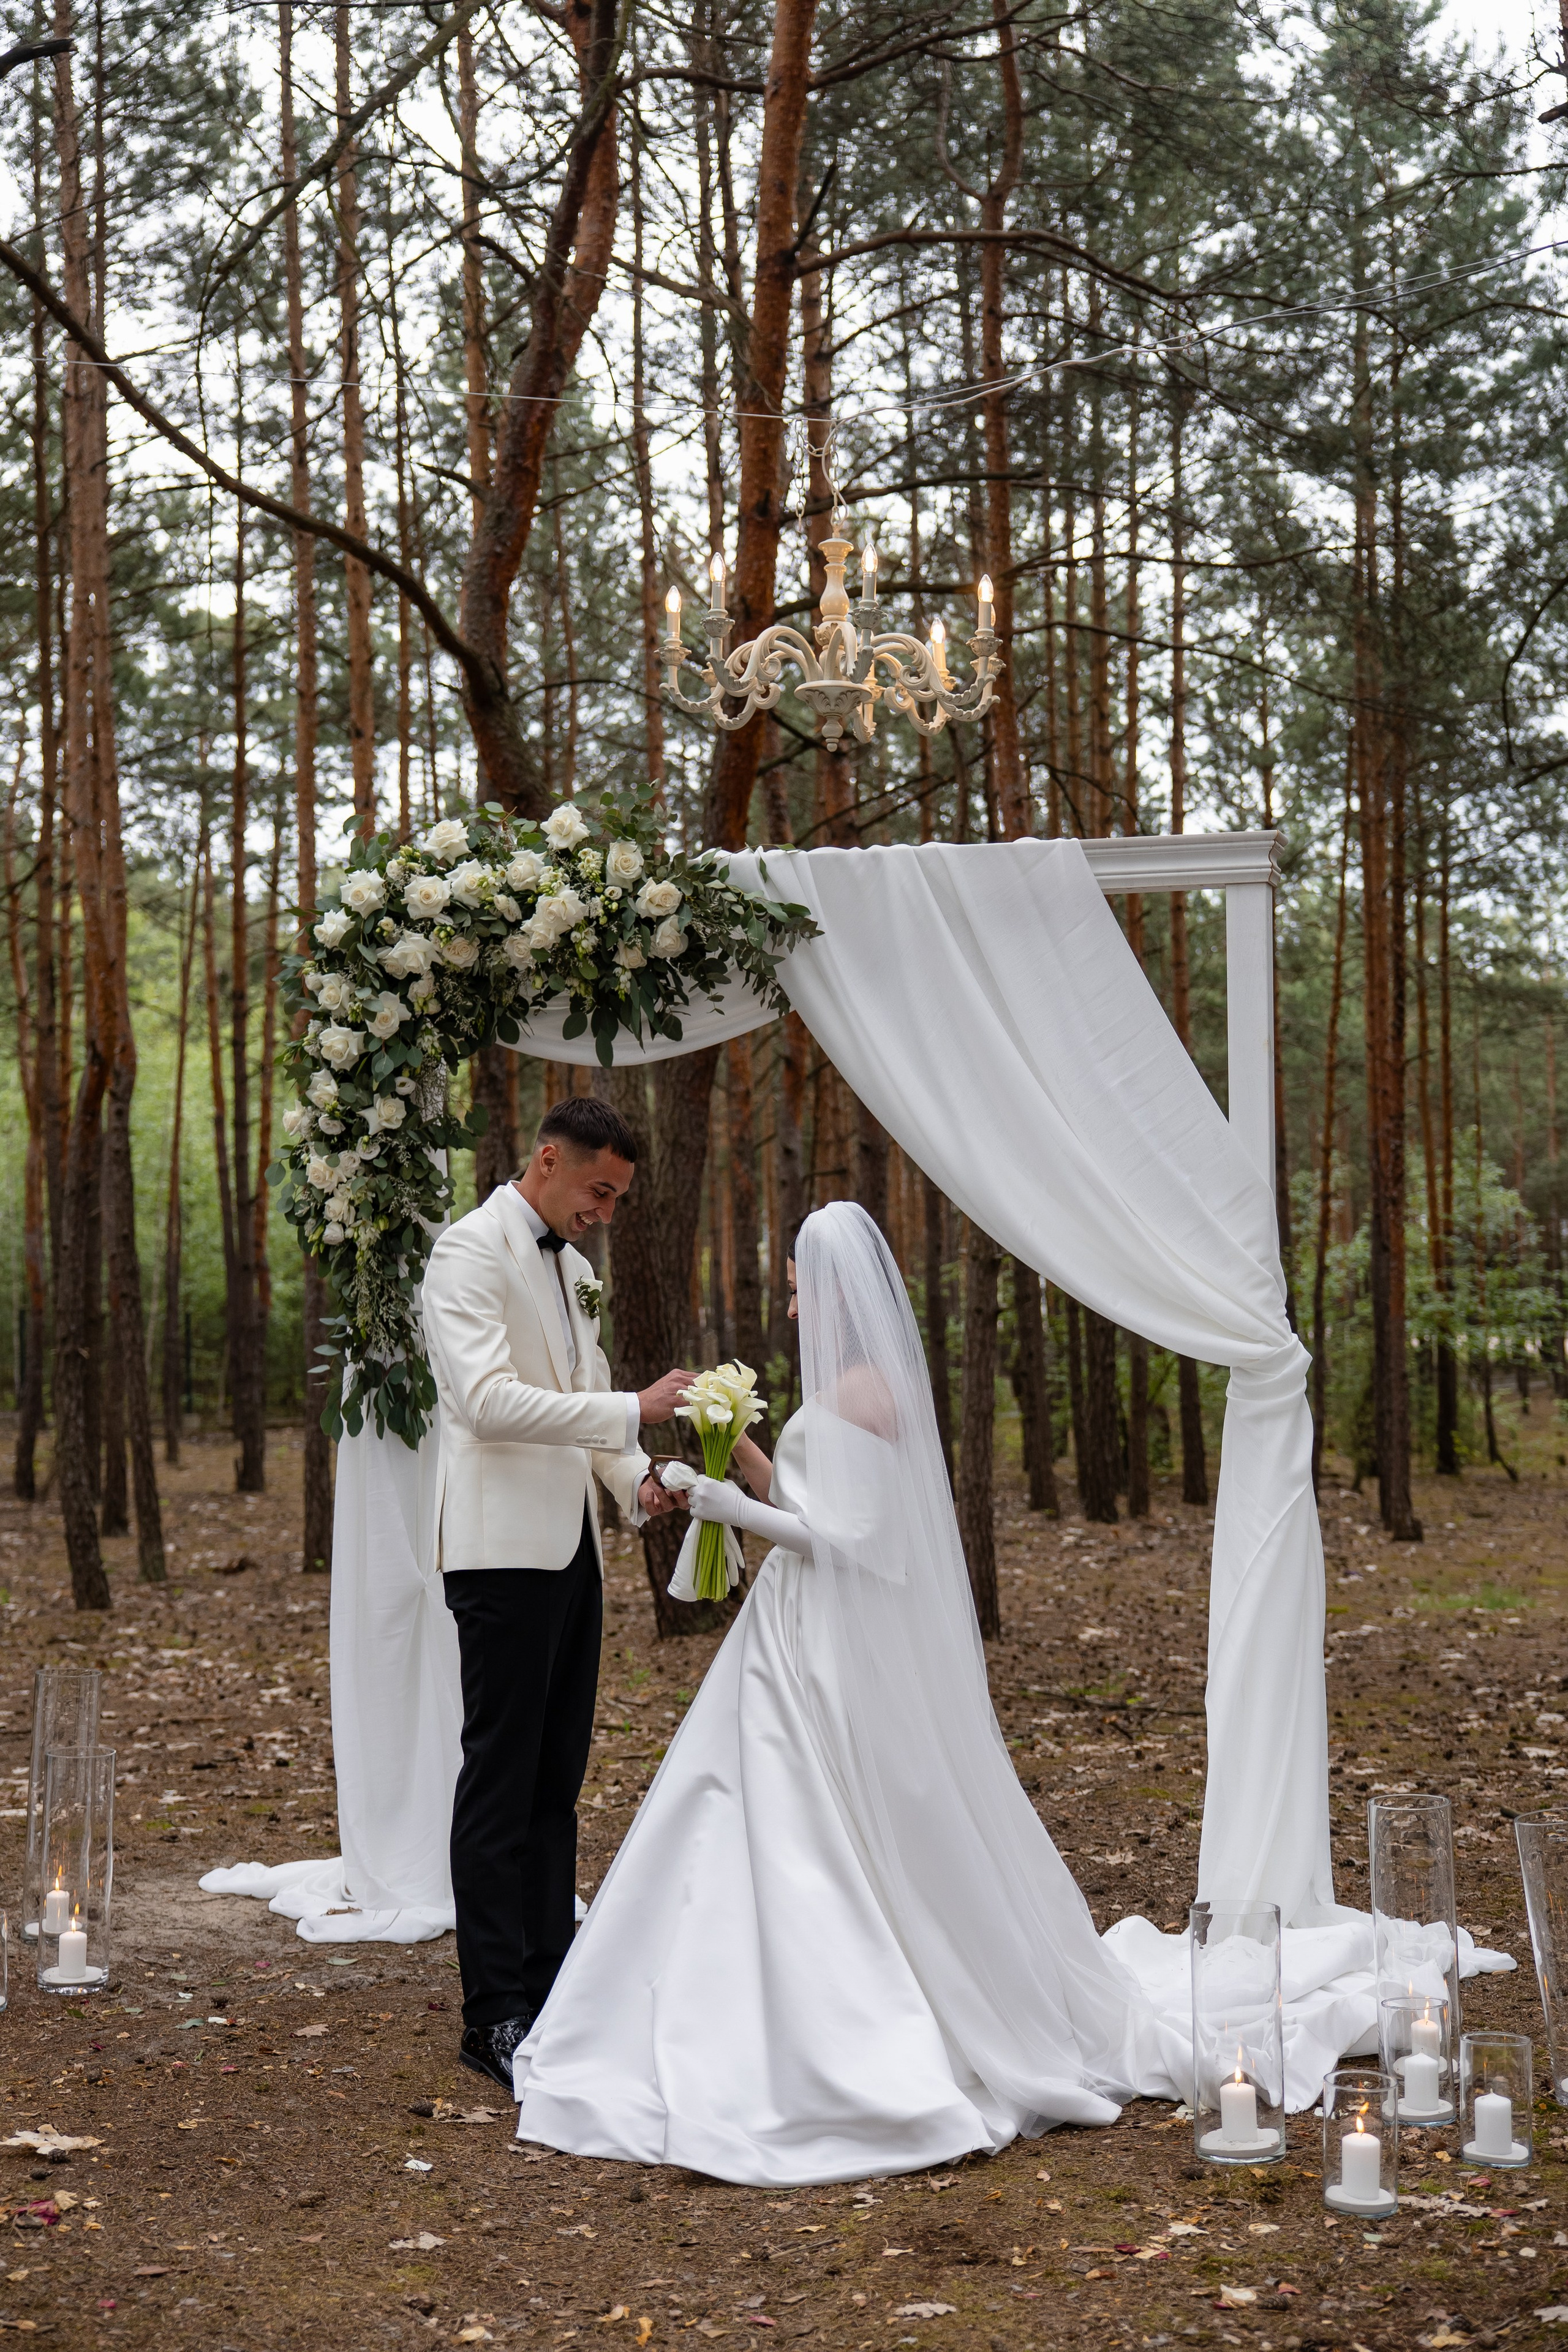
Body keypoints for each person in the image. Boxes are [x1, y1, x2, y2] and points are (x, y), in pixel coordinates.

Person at [510, 1199, 1175, 2184]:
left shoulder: (864, 1391)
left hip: (819, 1638)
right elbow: (812, 1503)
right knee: (739, 1807)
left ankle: (834, 2027)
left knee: (800, 1817)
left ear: (830, 1293)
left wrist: (725, 1505)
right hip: (790, 1630)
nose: (786, 1309)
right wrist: (731, 1447)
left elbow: (850, 1542)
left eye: (792, 1291)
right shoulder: (850, 1387)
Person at [420, 1096, 690, 2092]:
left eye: (618, 1197)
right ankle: (490, 2013)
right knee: (500, 1784)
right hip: (495, 1555)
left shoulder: (574, 1272)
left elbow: (590, 1415)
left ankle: (546, 1983)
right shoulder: (468, 1252)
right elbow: (485, 1404)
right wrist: (630, 1406)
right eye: (599, 1192)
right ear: (547, 1161)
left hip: (571, 1552)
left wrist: (635, 1481)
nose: (607, 1214)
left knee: (556, 1783)